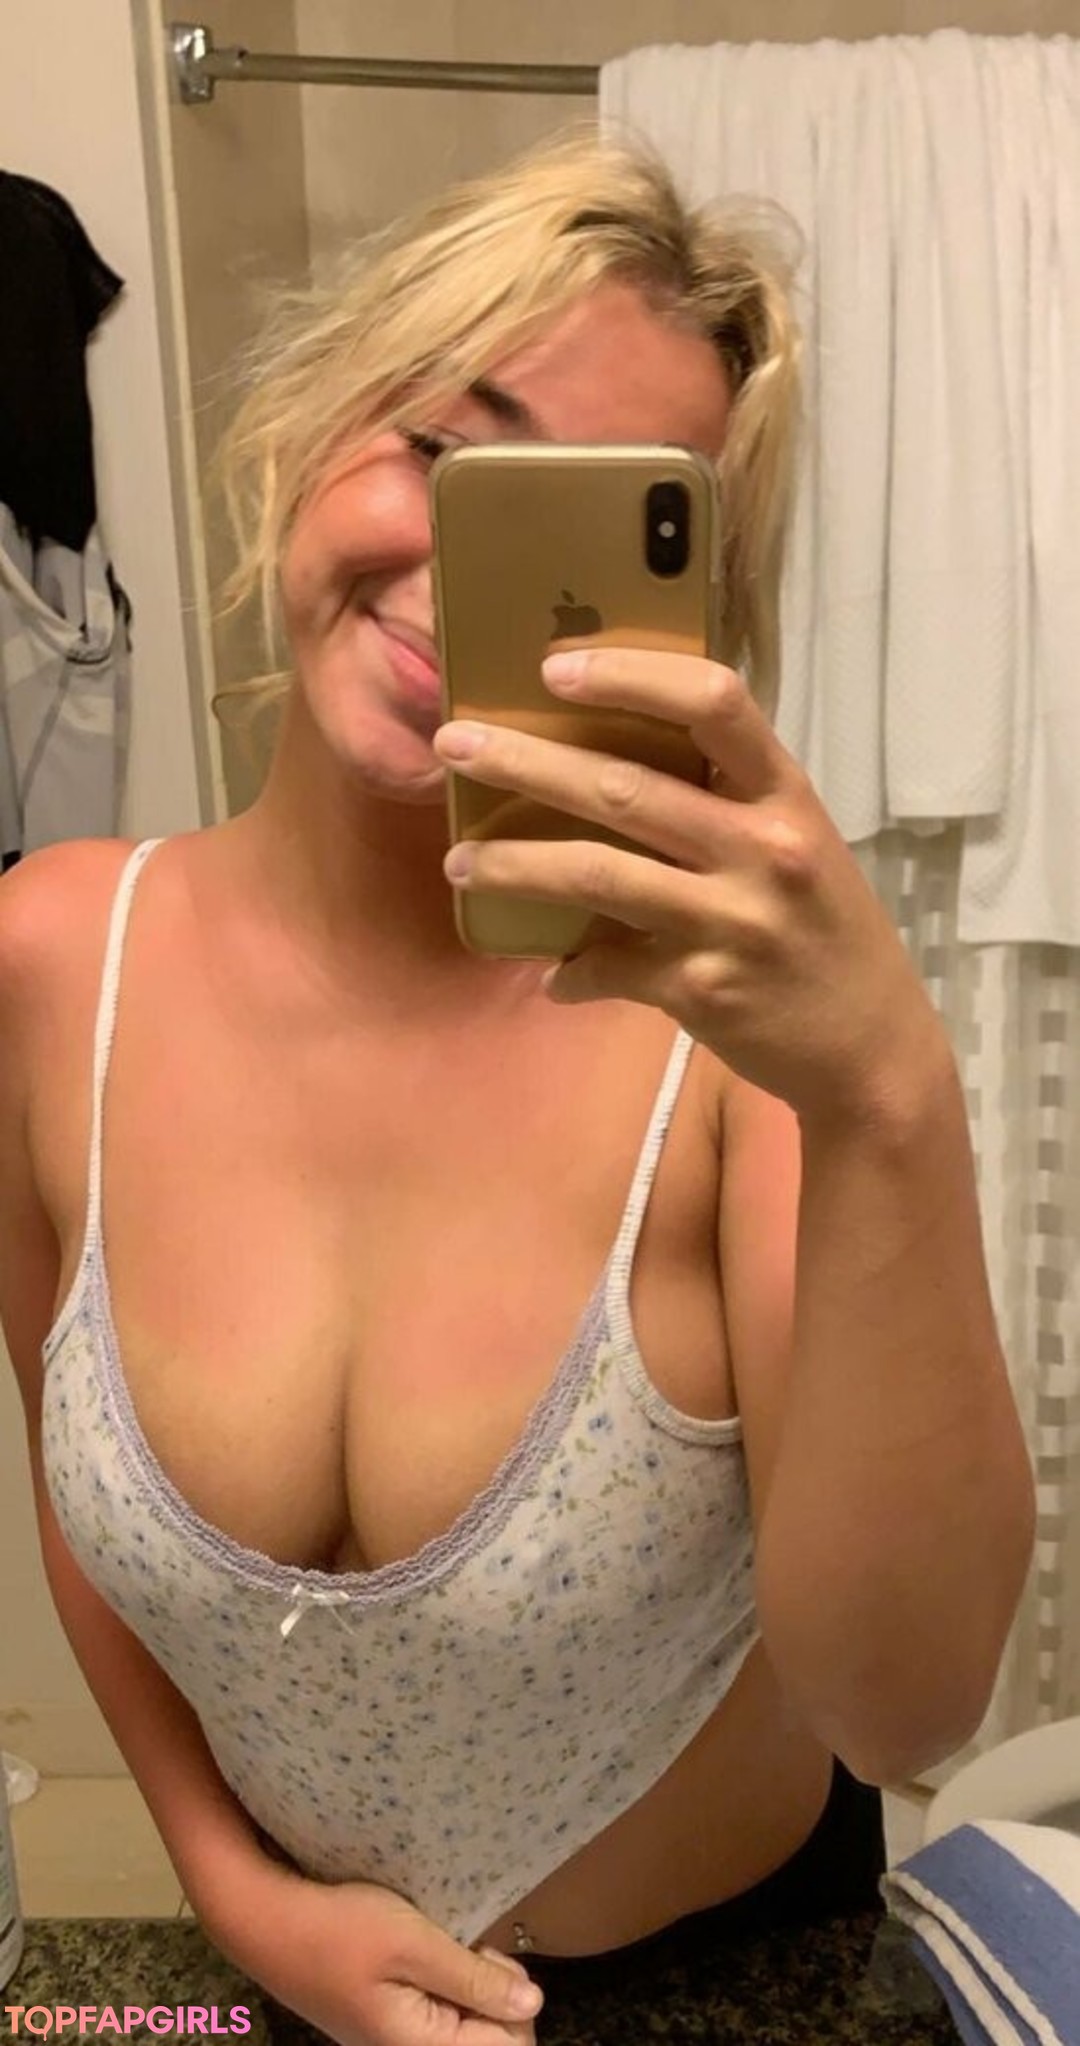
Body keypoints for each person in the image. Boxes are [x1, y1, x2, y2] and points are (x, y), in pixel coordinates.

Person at [0, 133, 1034, 2046]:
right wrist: (238, 1901)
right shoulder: (50, 969)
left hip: (747, 1993)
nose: (466, 572)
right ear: (308, 427)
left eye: (587, 520)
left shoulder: (743, 1051)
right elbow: (88, 1523)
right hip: (290, 1992)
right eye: (443, 449)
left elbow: (905, 1706)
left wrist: (891, 1097)